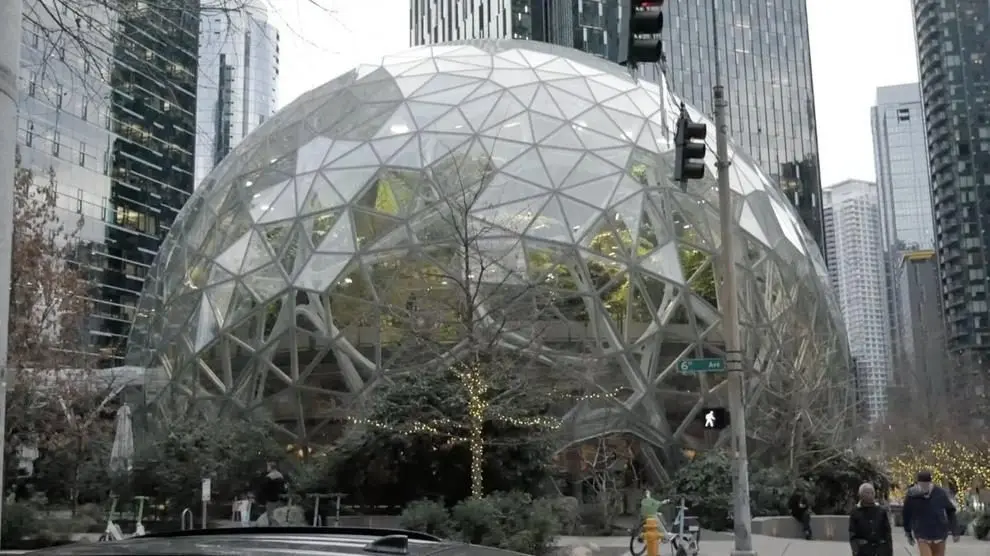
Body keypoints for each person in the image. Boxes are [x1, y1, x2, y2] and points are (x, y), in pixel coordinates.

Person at [903, 470, 958, 556]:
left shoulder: (939, 493)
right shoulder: (912, 495)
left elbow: (950, 511)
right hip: (922, 533)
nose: (924, 487)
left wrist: (954, 531)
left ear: (930, 483)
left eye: (926, 485)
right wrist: (908, 532)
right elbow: (906, 513)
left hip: (939, 533)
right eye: (921, 485)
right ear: (917, 483)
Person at [849, 483, 892, 556]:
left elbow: (887, 533)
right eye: (867, 492)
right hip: (863, 551)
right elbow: (852, 534)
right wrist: (856, 551)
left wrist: (888, 551)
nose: (870, 495)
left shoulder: (881, 511)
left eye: (872, 492)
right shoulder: (855, 512)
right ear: (861, 495)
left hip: (880, 551)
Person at [257, 462, 287, 526]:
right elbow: (284, 488)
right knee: (279, 516)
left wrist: (261, 500)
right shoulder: (280, 475)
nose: (267, 468)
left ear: (271, 467)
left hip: (271, 500)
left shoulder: (269, 477)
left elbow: (264, 489)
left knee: (271, 516)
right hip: (280, 500)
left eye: (268, 466)